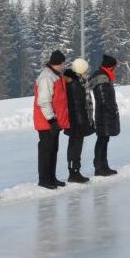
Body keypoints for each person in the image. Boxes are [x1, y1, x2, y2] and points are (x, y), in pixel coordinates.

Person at [34, 50, 70, 189]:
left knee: (53, 149)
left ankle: (51, 176)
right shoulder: (47, 77)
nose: (63, 66)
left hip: (54, 121)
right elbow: (43, 101)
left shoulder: (56, 75)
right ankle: (44, 179)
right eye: (62, 64)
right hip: (47, 122)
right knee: (46, 150)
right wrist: (51, 120)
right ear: (57, 63)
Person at [64, 58, 96, 184]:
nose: (87, 72)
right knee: (75, 146)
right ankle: (74, 172)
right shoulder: (74, 83)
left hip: (78, 119)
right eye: (86, 70)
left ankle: (75, 170)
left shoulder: (80, 81)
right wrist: (83, 121)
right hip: (76, 121)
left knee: (76, 145)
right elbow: (77, 105)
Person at [90, 54, 120, 176]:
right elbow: (103, 99)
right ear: (111, 67)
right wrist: (112, 111)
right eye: (115, 67)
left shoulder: (104, 76)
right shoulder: (102, 78)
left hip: (104, 113)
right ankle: (99, 167)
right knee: (102, 139)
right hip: (104, 114)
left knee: (104, 139)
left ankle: (104, 165)